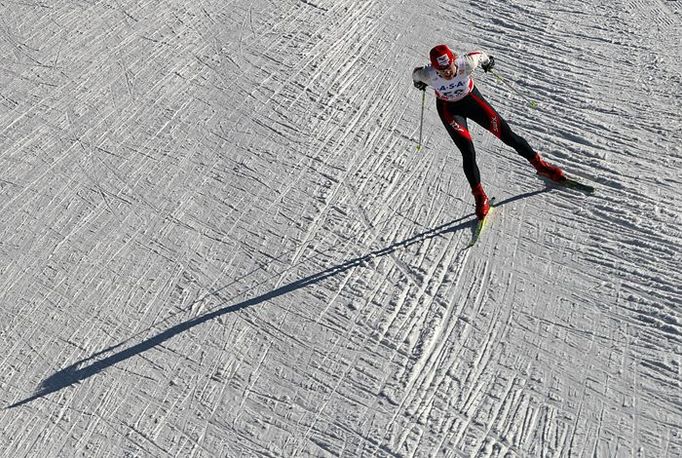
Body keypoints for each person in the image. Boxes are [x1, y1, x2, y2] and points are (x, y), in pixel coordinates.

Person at [412, 44, 566, 220]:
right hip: (449, 109)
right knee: (468, 152)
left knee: (508, 136)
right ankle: (480, 197)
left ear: (454, 60)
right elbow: (415, 75)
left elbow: (482, 55)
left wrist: (489, 62)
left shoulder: (466, 63)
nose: (446, 73)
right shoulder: (428, 74)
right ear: (434, 68)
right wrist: (418, 83)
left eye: (448, 67)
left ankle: (541, 166)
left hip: (472, 101)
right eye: (441, 70)